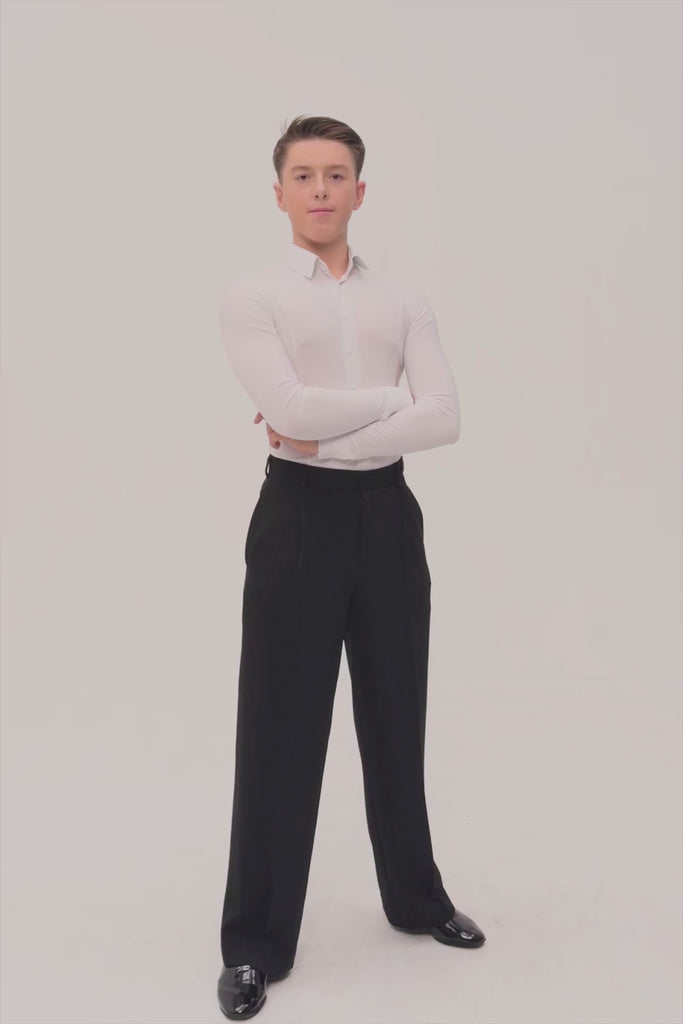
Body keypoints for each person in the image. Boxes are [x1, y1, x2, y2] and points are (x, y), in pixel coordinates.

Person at [215, 114, 485, 1021]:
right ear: (279, 193)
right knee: (279, 731)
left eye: (336, 174)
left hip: (387, 517)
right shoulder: (252, 297)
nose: (321, 189)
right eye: (304, 175)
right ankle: (253, 946)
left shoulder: (401, 299)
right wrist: (385, 403)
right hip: (297, 521)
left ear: (360, 191)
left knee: (395, 712)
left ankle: (416, 899)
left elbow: (443, 417)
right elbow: (287, 409)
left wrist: (327, 428)